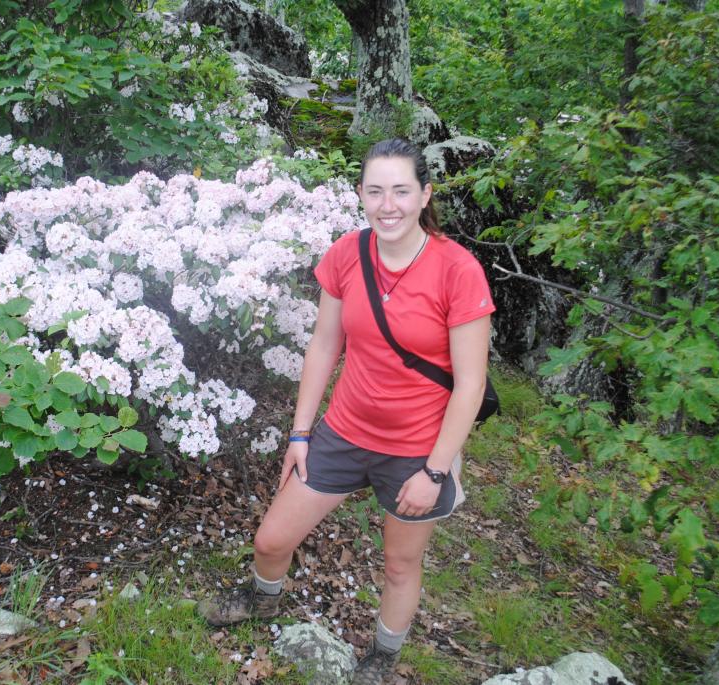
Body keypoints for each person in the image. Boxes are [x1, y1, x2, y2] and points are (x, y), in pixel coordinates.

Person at [197, 138, 496, 684]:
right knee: (270, 540)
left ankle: (383, 656)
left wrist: (435, 471)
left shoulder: (458, 270)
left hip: (415, 449)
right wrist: (300, 433)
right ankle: (265, 600)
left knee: (400, 563)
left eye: (402, 191)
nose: (389, 205)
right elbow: (323, 345)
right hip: (343, 431)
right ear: (360, 194)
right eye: (376, 190)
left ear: (425, 194)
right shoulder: (348, 254)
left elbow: (470, 384)